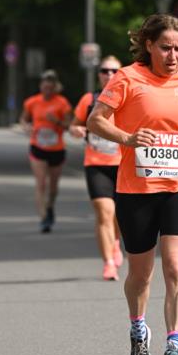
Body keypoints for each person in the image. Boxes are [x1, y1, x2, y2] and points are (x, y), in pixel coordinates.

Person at [86, 14, 178, 355]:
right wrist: (128, 139)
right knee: (141, 274)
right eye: (166, 47)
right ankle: (138, 329)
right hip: (138, 189)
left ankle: (174, 346)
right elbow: (96, 121)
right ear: (149, 45)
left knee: (177, 267)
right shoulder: (127, 78)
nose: (173, 55)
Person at [71, 55, 124, 280]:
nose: (109, 75)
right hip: (97, 163)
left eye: (114, 70)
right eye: (104, 70)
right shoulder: (89, 99)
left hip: (124, 164)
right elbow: (74, 125)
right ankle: (108, 263)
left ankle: (115, 242)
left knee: (119, 215)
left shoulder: (128, 98)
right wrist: (76, 130)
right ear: (99, 74)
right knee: (104, 212)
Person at [19, 70, 72, 232]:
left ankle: (50, 207)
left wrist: (56, 121)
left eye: (50, 87)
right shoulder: (32, 102)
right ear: (41, 86)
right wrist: (26, 126)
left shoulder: (63, 103)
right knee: (41, 183)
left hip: (56, 148)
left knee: (53, 187)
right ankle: (43, 218)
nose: (47, 89)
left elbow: (68, 125)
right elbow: (23, 119)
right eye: (44, 86)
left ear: (55, 88)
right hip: (38, 146)